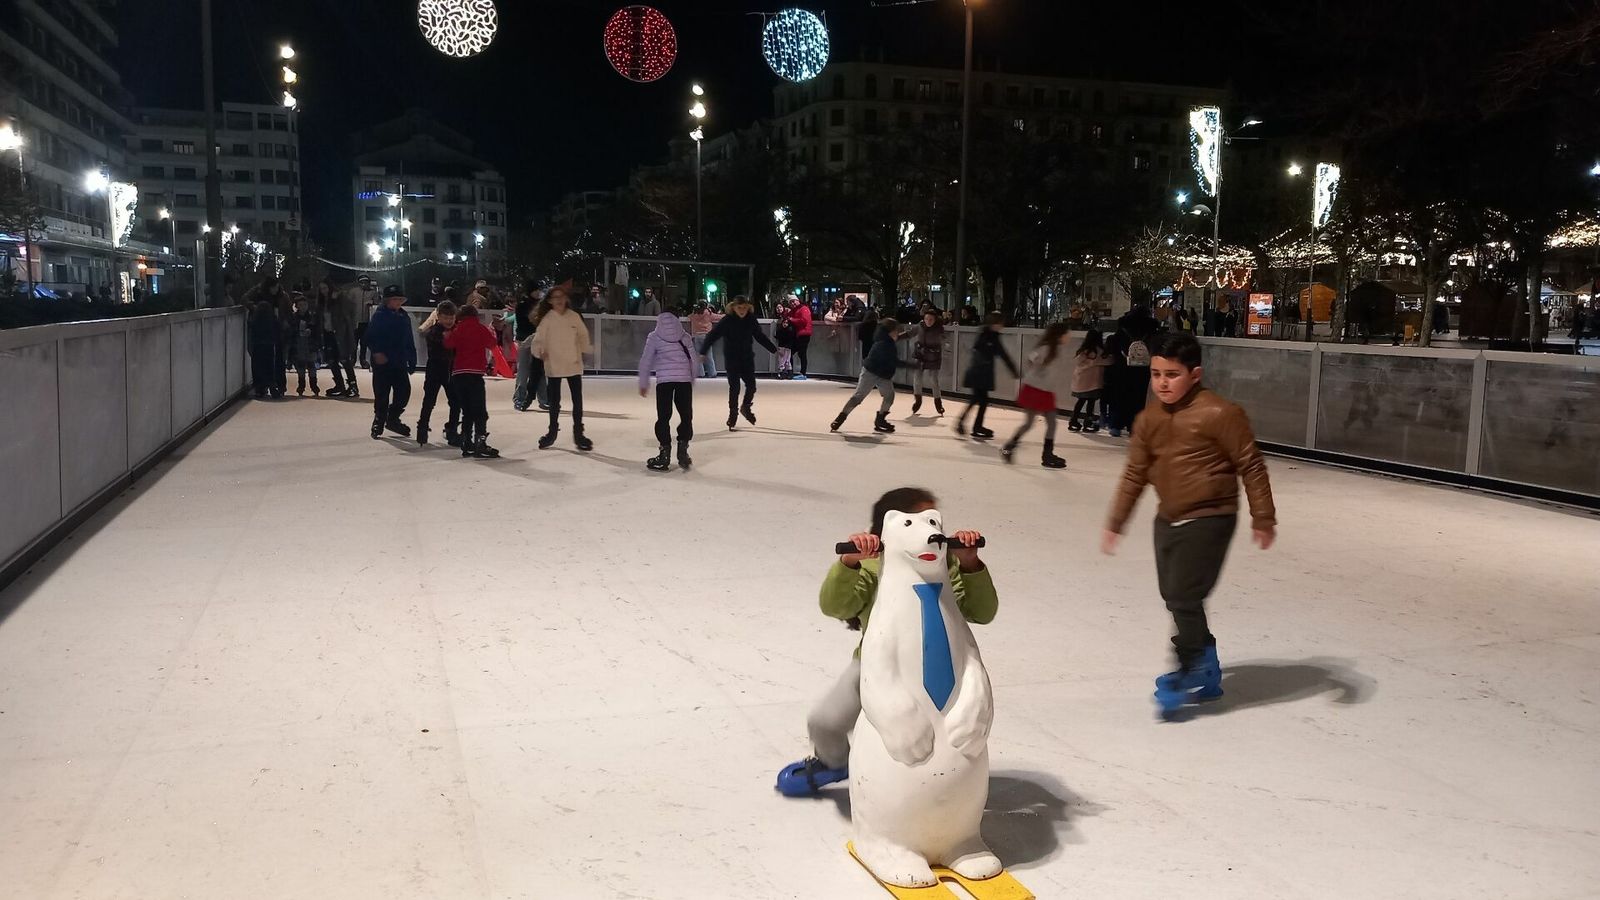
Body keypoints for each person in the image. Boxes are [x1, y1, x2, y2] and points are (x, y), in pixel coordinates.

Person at [775, 486, 994, 797]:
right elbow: (834, 606)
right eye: (913, 520)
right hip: (879, 664)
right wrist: (850, 562)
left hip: (942, 666)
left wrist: (970, 564)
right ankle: (834, 762)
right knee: (824, 722)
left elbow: (982, 613)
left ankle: (943, 784)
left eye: (932, 521)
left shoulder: (945, 569)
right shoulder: (872, 568)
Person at [1102, 333, 1277, 719]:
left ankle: (1190, 665)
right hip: (1168, 517)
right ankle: (1207, 665)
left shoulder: (1221, 413)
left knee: (1183, 596)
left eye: (1172, 375)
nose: (1163, 383)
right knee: (1175, 597)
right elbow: (1135, 474)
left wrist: (1263, 516)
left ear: (1195, 374)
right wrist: (1116, 520)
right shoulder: (1148, 419)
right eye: (1156, 374)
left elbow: (1251, 465)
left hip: (1211, 516)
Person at [700, 295, 778, 431]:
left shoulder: (751, 319)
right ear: (733, 307)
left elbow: (759, 336)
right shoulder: (727, 320)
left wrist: (774, 349)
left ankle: (745, 407)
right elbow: (713, 335)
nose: (742, 310)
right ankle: (732, 415)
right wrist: (703, 352)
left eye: (744, 308)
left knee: (751, 386)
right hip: (732, 359)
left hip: (747, 358)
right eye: (739, 308)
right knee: (734, 388)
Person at [1001, 323, 1074, 468]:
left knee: (1048, 423)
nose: (1069, 336)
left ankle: (1044, 454)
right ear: (1059, 335)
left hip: (1044, 391)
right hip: (1035, 390)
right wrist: (1039, 371)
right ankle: (1013, 448)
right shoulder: (1046, 349)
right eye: (1067, 333)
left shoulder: (1056, 349)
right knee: (1033, 423)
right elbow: (1031, 359)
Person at [531, 287, 595, 451]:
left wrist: (585, 349)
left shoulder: (573, 317)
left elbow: (583, 335)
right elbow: (538, 339)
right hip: (554, 364)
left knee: (577, 401)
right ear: (550, 301)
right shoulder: (548, 319)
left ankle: (579, 434)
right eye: (555, 297)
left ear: (566, 298)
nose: (559, 300)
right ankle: (552, 432)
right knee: (554, 402)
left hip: (573, 363)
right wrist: (540, 351)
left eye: (561, 296)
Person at [638, 311, 698, 471]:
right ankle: (683, 449)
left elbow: (646, 360)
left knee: (663, 417)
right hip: (683, 381)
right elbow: (693, 359)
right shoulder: (685, 336)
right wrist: (692, 377)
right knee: (686, 415)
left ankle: (664, 453)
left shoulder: (654, 336)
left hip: (664, 381)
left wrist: (643, 382)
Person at [443, 302, 500, 458]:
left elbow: (448, 344)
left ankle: (466, 442)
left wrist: (447, 334)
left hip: (459, 374)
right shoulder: (481, 329)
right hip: (475, 374)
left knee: (467, 411)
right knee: (480, 410)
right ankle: (480, 441)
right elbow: (492, 344)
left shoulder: (458, 329)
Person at [830, 317, 902, 435]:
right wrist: (912, 366)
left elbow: (898, 340)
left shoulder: (886, 339)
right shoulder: (884, 344)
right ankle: (841, 418)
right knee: (858, 397)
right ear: (890, 331)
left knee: (889, 395)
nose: (898, 333)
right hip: (871, 373)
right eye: (896, 331)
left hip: (883, 375)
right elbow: (894, 361)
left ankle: (880, 419)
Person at [955, 312, 1018, 440]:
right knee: (980, 400)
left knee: (980, 400)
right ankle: (969, 424)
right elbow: (996, 353)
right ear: (994, 323)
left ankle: (970, 424)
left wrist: (1013, 369)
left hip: (981, 373)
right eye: (1000, 323)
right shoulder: (986, 335)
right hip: (978, 373)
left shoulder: (991, 335)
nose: (1002, 326)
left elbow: (1002, 354)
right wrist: (1013, 370)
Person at [365, 286, 416, 440]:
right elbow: (370, 336)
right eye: (395, 299)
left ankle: (392, 417)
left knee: (403, 392)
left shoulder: (404, 316)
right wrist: (377, 352)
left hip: (399, 360)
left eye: (400, 299)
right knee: (382, 393)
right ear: (387, 300)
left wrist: (412, 357)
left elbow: (409, 338)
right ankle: (379, 420)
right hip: (383, 362)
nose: (398, 302)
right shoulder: (380, 316)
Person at [416, 301, 460, 447]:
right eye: (445, 317)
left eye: (451, 317)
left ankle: (452, 429)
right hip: (435, 370)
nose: (449, 321)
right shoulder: (434, 332)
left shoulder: (457, 331)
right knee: (429, 400)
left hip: (451, 371)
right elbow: (437, 348)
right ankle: (422, 427)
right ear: (438, 316)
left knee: (455, 401)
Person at [1068, 328, 1112, 433]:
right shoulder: (1099, 352)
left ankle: (1073, 420)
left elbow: (1076, 361)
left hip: (1080, 381)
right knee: (1090, 403)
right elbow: (1110, 361)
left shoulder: (1083, 351)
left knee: (1080, 401)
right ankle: (1088, 423)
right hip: (1093, 383)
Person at [906, 309, 946, 416]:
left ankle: (938, 404)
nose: (928, 321)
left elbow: (943, 340)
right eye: (926, 319)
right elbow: (909, 333)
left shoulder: (938, 328)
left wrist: (943, 344)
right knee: (917, 378)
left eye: (931, 319)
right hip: (920, 355)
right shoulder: (919, 326)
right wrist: (896, 337)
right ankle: (918, 401)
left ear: (935, 320)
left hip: (933, 357)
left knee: (934, 380)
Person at [514, 285, 547, 411]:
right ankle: (519, 398)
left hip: (539, 340)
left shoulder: (541, 305)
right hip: (524, 340)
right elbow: (523, 323)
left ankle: (544, 399)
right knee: (523, 371)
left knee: (539, 370)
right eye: (535, 290)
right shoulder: (523, 306)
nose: (538, 292)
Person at [247, 297, 283, 400]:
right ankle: (272, 387)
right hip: (269, 346)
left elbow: (252, 332)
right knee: (269, 368)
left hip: (258, 346)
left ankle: (260, 389)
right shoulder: (272, 319)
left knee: (258, 367)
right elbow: (277, 331)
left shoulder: (255, 320)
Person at [288, 294, 321, 397]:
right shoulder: (294, 318)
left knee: (312, 367)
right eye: (301, 305)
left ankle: (314, 386)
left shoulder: (312, 317)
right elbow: (291, 332)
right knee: (300, 368)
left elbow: (317, 330)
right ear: (297, 306)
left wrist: (311, 331)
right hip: (298, 345)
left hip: (310, 345)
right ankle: (301, 387)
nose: (303, 307)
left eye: (305, 304)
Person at [688, 300, 722, 379]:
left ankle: (700, 373)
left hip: (696, 336)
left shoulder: (694, 314)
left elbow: (688, 317)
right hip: (706, 336)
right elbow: (719, 317)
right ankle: (712, 373)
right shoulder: (708, 314)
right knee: (709, 355)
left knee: (698, 355)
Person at [787, 294, 814, 380]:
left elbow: (804, 321)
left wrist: (792, 320)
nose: (793, 303)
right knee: (793, 353)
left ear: (798, 300)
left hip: (804, 334)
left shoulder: (804, 309)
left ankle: (802, 373)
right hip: (799, 334)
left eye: (793, 301)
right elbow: (788, 316)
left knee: (801, 353)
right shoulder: (796, 310)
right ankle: (791, 371)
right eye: (791, 302)